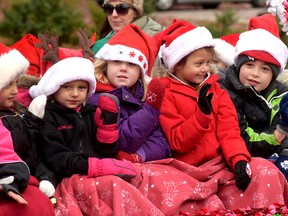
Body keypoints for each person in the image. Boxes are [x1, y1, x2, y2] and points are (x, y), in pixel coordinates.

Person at [142, 18, 288, 212]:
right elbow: (178, 141)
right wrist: (202, 115)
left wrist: (239, 160)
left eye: (208, 62)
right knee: (184, 197)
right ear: (176, 65)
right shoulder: (165, 93)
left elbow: (230, 132)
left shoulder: (215, 90)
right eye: (199, 63)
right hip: (185, 169)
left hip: (219, 165)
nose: (205, 69)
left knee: (265, 170)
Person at [89, 24, 171, 163]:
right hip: (107, 167)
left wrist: (138, 155)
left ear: (141, 71)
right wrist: (150, 110)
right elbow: (122, 142)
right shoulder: (96, 98)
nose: (123, 68)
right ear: (105, 65)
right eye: (116, 61)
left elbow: (162, 145)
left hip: (140, 163)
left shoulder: (144, 98)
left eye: (131, 64)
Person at [220, 14, 288, 179]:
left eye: (265, 69)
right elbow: (245, 142)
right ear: (239, 65)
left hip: (276, 153)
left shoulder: (281, 94)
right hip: (243, 160)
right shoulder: (225, 94)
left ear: (273, 75)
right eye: (249, 65)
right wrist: (283, 129)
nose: (255, 74)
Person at [0, 42, 55, 216]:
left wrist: (46, 177)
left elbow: (34, 151)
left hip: (26, 177)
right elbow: (13, 148)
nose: (15, 91)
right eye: (8, 85)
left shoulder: (14, 111)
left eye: (16, 83)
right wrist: (32, 121)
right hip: (12, 179)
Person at [91, 0, 164, 55]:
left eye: (122, 8)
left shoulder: (157, 36)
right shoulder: (104, 40)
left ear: (135, 12)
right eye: (109, 8)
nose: (114, 14)